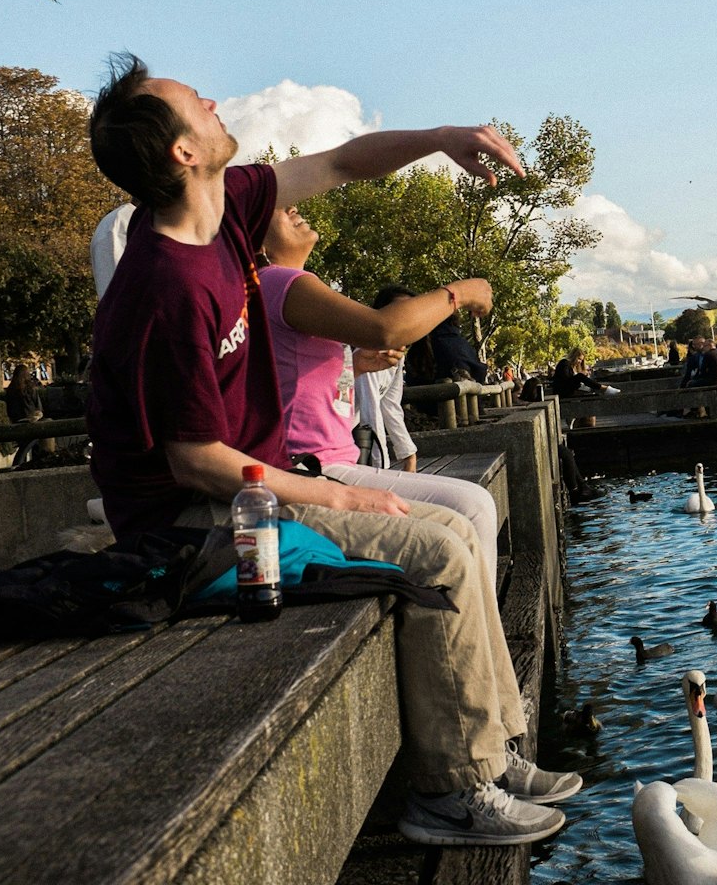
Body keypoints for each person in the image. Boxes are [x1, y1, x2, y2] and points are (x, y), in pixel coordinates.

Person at [84, 54, 576, 846]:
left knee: (452, 528)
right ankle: (449, 795)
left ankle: (493, 748)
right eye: (193, 102)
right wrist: (345, 496)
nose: (212, 100)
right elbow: (195, 460)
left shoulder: (229, 208)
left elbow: (344, 163)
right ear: (182, 152)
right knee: (437, 554)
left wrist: (442, 137)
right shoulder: (164, 284)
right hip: (193, 525)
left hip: (245, 489)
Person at [256, 206, 503, 579]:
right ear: (257, 240)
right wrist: (460, 293)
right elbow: (386, 327)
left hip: (330, 464)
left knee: (470, 510)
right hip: (309, 469)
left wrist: (354, 366)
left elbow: (284, 383)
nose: (291, 207)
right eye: (275, 206)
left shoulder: (285, 287)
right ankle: (485, 632)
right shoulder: (279, 282)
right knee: (473, 508)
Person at [356, 285, 419, 472]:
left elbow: (390, 406)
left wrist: (409, 455)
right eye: (398, 313)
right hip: (347, 439)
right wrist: (382, 469)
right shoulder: (366, 352)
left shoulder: (397, 356)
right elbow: (371, 414)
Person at [406, 312, 490, 386]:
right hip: (464, 400)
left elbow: (411, 380)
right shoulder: (462, 344)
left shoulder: (419, 346)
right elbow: (480, 371)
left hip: (424, 401)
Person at [4, 364, 45, 466]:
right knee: (32, 445)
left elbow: (9, 408)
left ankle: (20, 465)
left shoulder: (10, 389)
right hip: (31, 420)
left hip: (17, 421)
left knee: (24, 445)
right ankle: (33, 465)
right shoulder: (30, 388)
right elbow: (38, 405)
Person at [551, 351, 618, 398]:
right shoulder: (564, 363)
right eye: (579, 359)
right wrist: (580, 376)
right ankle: (604, 388)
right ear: (574, 356)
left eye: (581, 360)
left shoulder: (572, 367)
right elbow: (566, 380)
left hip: (567, 390)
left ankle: (602, 389)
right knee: (580, 376)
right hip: (562, 392)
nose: (579, 362)